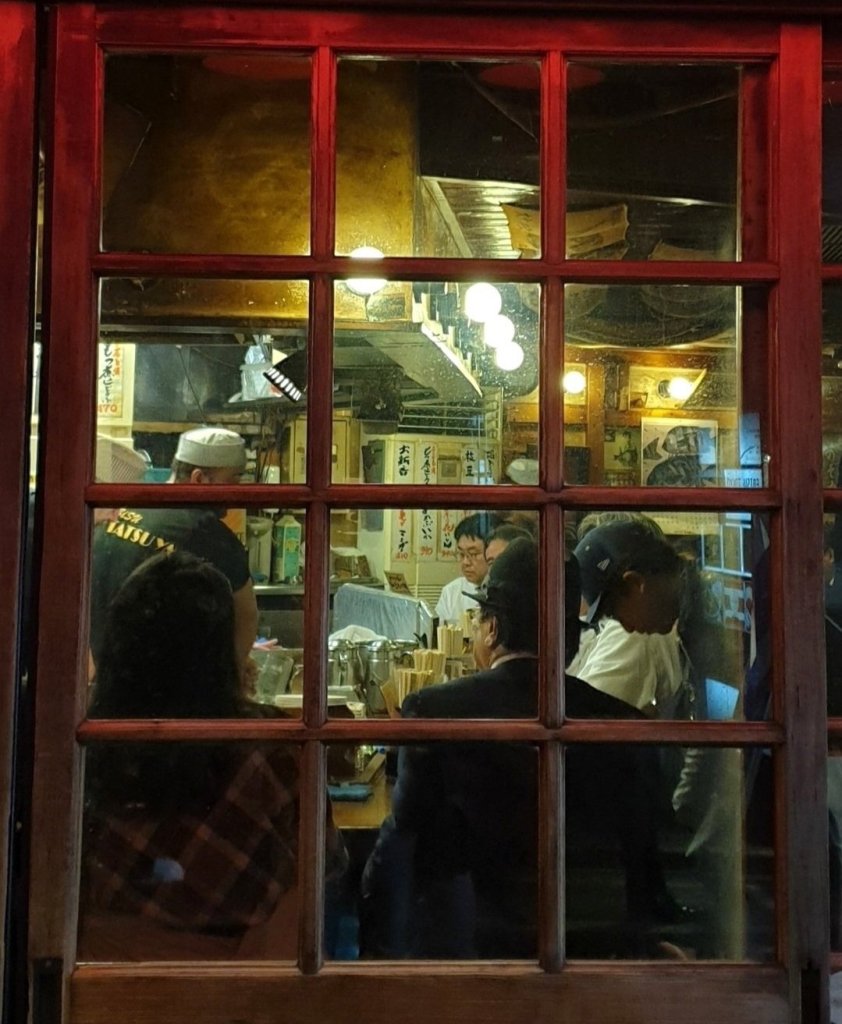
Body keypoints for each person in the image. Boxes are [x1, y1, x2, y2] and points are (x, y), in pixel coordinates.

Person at [360, 538, 679, 959]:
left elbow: (399, 846)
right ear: (570, 637)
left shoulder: (436, 709)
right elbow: (646, 867)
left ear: (492, 628)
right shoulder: (625, 723)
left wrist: (375, 959)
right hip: (586, 955)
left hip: (467, 954)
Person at [79, 550, 345, 960]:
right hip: (246, 983)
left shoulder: (84, 743)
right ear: (222, 651)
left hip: (98, 978)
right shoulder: (278, 748)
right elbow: (324, 869)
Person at [88, 426, 258, 684]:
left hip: (103, 683)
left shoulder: (122, 509)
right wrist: (231, 675)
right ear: (199, 479)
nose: (238, 491)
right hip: (165, 688)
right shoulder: (209, 533)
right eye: (234, 479)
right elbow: (246, 617)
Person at [569, 520, 686, 718]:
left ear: (634, 583)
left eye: (614, 613)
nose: (627, 628)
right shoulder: (688, 604)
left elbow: (588, 721)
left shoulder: (637, 637)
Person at [434, 512, 503, 625]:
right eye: (461, 554)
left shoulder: (506, 592)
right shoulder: (451, 592)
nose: (465, 562)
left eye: (473, 554)